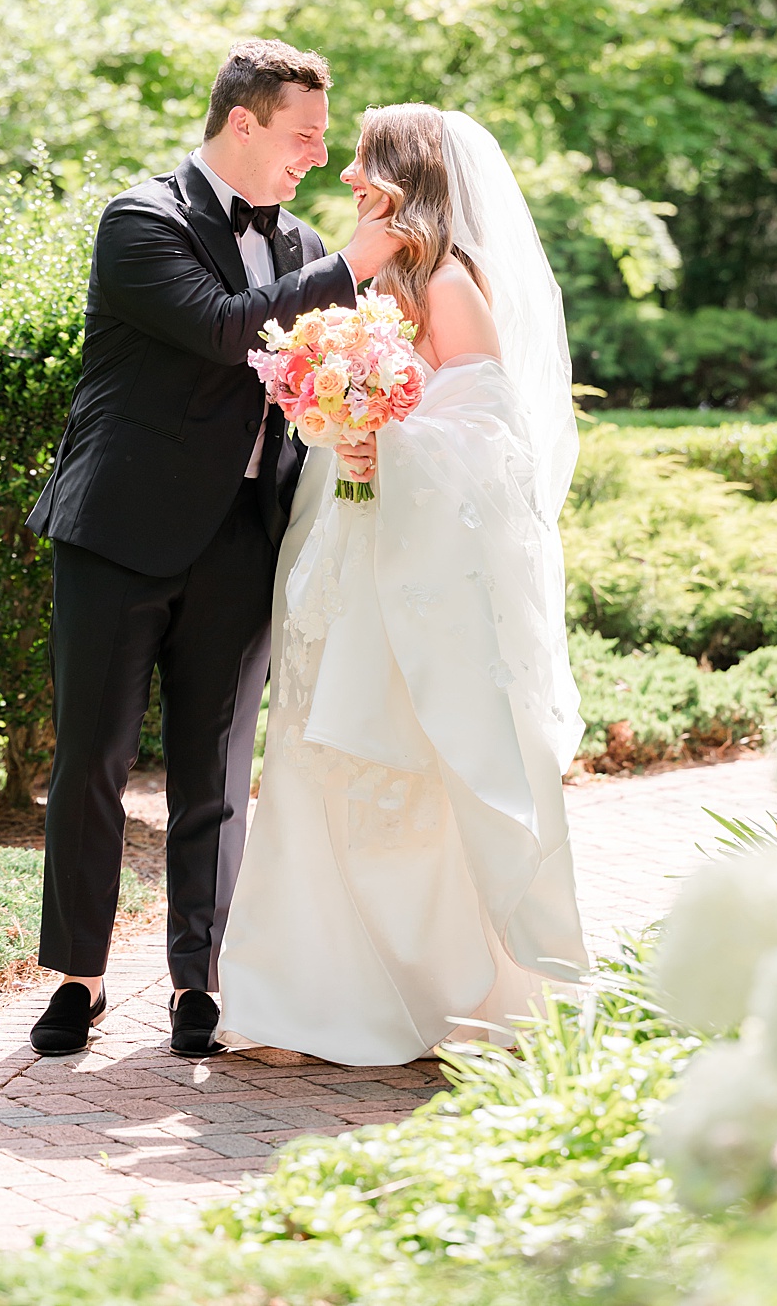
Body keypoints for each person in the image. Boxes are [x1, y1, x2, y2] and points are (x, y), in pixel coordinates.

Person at [23, 40, 399, 1059]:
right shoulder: (140, 218)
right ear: (244, 122)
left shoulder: (302, 244)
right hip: (117, 534)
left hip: (241, 537)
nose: (317, 157)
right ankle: (79, 978)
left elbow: (315, 374)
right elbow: (223, 329)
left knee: (216, 772)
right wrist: (352, 268)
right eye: (304, 135)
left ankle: (201, 981)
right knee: (94, 763)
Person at [217, 105, 588, 1065]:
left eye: (364, 161)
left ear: (407, 174)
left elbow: (491, 434)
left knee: (407, 761)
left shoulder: (451, 280)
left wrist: (390, 440)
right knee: (312, 756)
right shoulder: (370, 274)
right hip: (345, 543)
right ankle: (303, 995)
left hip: (413, 567)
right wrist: (330, 414)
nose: (345, 176)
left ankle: (446, 995)